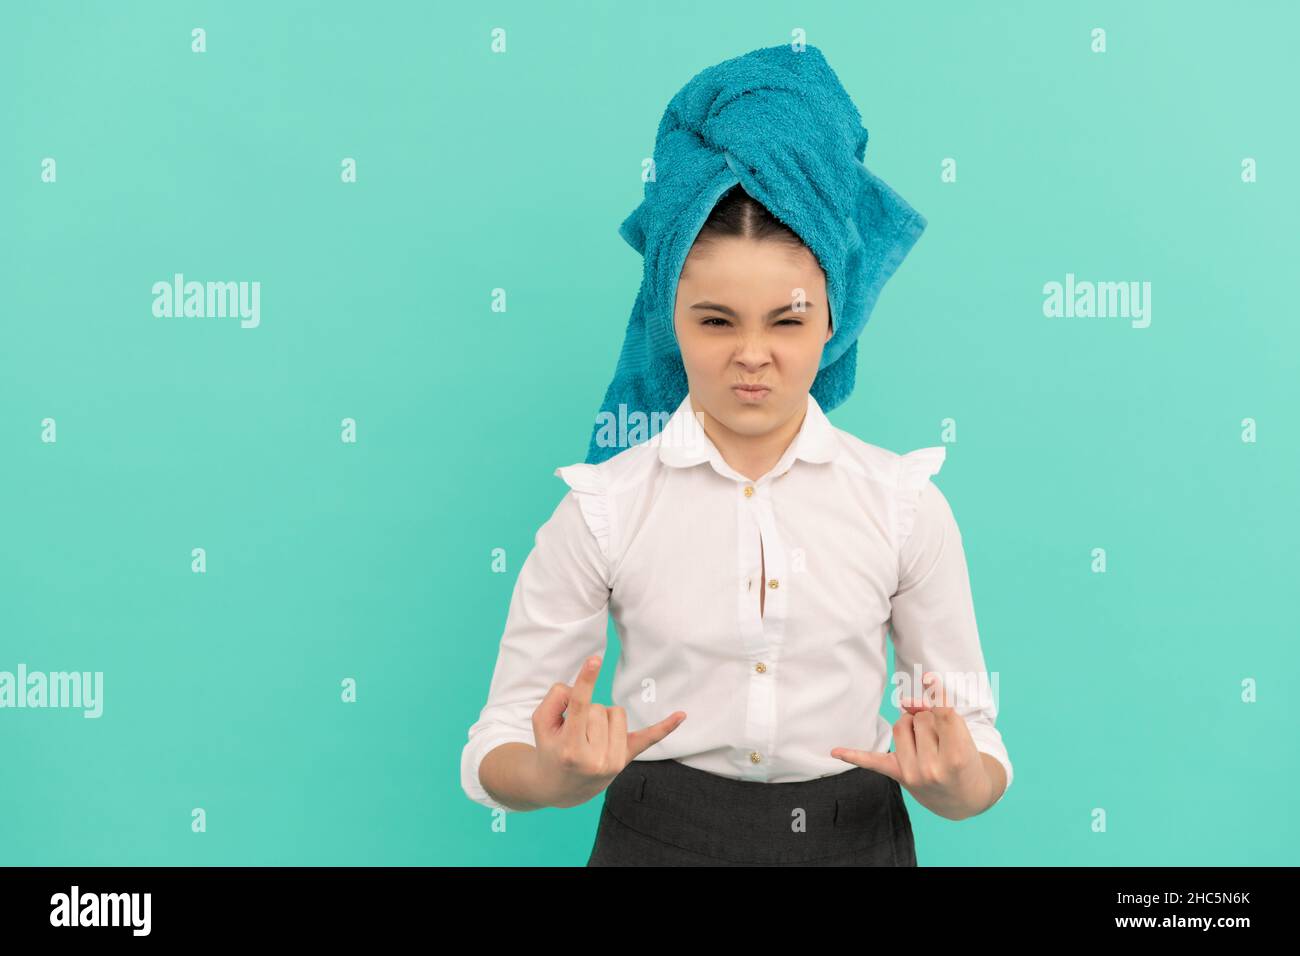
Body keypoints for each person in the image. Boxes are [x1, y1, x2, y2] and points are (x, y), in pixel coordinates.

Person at [459, 183, 1013, 866]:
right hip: (654, 841)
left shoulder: (902, 503)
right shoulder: (603, 506)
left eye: (787, 321)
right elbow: (498, 739)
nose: (753, 355)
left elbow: (978, 746)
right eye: (717, 321)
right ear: (671, 320)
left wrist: (957, 784)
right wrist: (554, 776)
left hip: (858, 842)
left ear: (831, 321)